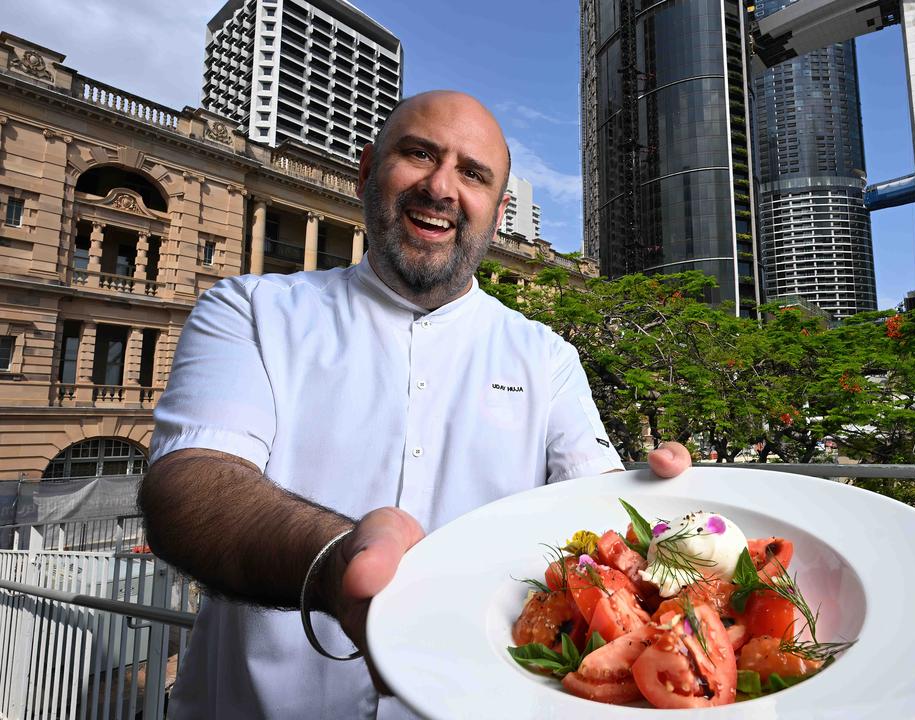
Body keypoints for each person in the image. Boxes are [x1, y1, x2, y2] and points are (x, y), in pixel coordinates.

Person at [138, 90, 691, 719]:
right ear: (368, 171)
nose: (441, 187)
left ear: (499, 210)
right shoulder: (249, 311)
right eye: (420, 154)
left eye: (472, 173)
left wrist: (659, 504)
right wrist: (334, 561)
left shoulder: (547, 357)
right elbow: (190, 483)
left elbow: (597, 521)